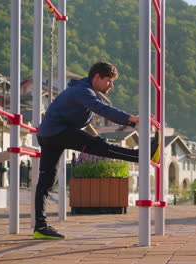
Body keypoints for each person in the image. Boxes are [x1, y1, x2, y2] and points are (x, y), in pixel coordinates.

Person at [33, 61, 160, 240]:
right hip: (57, 133)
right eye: (109, 81)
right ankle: (142, 155)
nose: (111, 85)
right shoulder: (83, 92)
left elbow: (100, 109)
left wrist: (132, 122)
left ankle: (40, 226)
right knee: (99, 146)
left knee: (46, 180)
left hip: (49, 134)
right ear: (97, 77)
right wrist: (132, 119)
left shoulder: (84, 90)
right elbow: (103, 110)